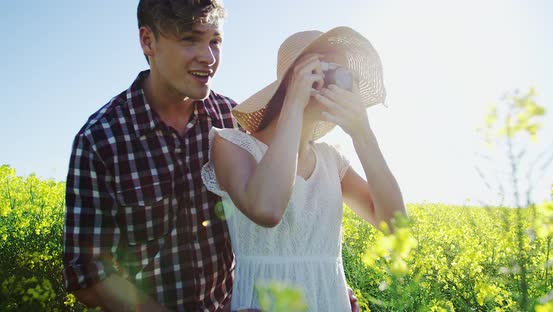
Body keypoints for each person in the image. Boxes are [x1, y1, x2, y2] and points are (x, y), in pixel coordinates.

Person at [201, 27, 406, 312]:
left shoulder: (330, 160)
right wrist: (294, 103)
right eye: (325, 69)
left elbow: (394, 225)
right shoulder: (232, 145)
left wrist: (363, 134)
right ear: (291, 79)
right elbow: (267, 209)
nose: (336, 81)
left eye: (344, 75)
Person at [62, 1, 237, 310]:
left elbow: (277, 219)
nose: (208, 57)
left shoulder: (233, 120)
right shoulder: (100, 140)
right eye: (189, 39)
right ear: (148, 41)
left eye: (215, 41)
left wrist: (321, 281)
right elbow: (88, 271)